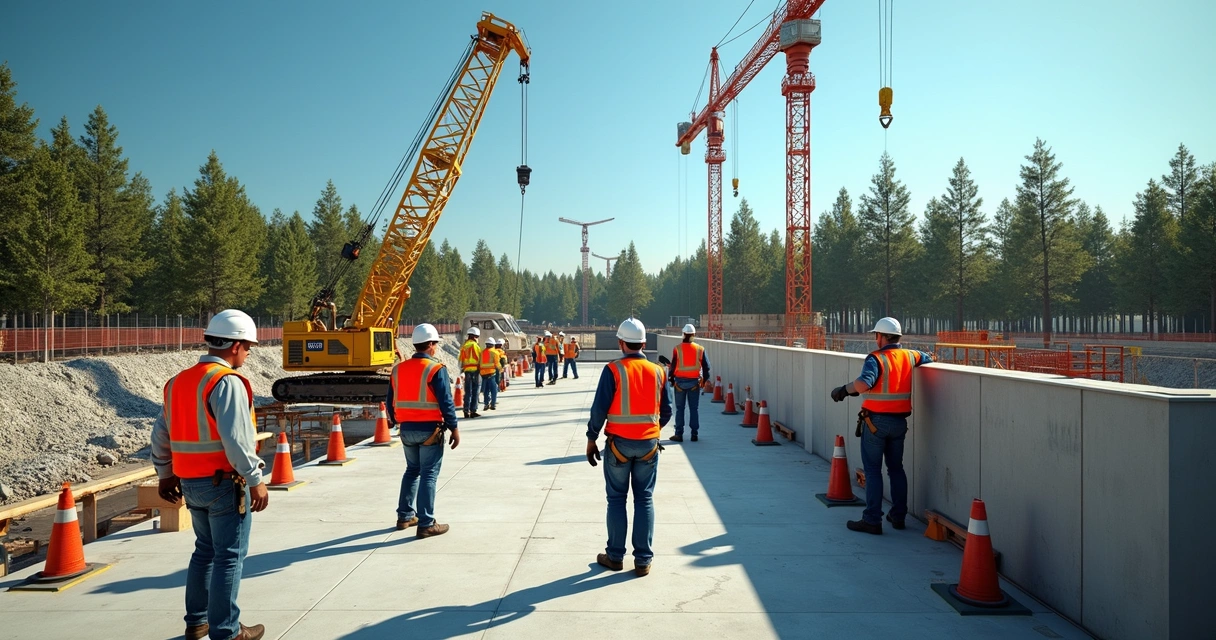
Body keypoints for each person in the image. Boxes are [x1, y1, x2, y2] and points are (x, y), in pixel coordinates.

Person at [151, 309, 268, 640]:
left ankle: (198, 621)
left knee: (204, 551)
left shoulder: (178, 382)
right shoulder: (226, 382)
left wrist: (165, 474)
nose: (248, 353)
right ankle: (227, 630)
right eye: (248, 346)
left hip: (190, 483)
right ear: (235, 346)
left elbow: (161, 434)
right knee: (229, 557)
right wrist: (256, 480)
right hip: (224, 484)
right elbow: (236, 440)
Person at [829, 317, 935, 535]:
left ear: (883, 336)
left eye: (876, 335)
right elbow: (927, 358)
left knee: (873, 471)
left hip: (876, 423)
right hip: (899, 423)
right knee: (896, 469)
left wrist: (843, 390)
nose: (875, 339)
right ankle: (898, 516)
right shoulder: (909, 355)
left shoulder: (876, 358)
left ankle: (872, 520)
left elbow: (864, 383)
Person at [586, 318, 673, 577]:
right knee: (644, 499)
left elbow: (599, 409)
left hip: (618, 445)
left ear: (621, 343)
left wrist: (591, 438)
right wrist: (651, 429)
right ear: (644, 343)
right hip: (648, 445)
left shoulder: (613, 370)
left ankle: (615, 556)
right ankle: (643, 560)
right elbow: (666, 411)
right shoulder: (658, 371)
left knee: (616, 499)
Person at [387, 323, 461, 538]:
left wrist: (394, 421)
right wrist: (454, 428)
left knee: (412, 470)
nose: (436, 348)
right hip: (429, 429)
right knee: (429, 474)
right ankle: (426, 523)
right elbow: (446, 402)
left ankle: (405, 516)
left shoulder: (398, 369)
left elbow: (390, 400)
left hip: (406, 429)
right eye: (436, 344)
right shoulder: (435, 369)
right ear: (430, 344)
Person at [667, 323, 710, 443]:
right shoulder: (700, 349)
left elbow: (673, 367)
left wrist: (671, 379)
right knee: (693, 409)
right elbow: (707, 368)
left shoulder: (677, 349)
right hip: (694, 384)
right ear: (694, 335)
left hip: (679, 383)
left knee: (680, 409)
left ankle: (679, 434)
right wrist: (703, 381)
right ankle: (694, 434)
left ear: (683, 334)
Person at [459, 327, 482, 419]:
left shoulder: (464, 346)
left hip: (467, 371)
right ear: (475, 336)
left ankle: (466, 410)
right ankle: (473, 410)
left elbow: (460, 360)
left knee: (468, 392)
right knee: (475, 391)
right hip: (475, 371)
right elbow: (480, 359)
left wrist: (462, 370)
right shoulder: (475, 346)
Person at [480, 336, 500, 410]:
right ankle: (493, 404)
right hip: (491, 374)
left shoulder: (482, 353)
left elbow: (480, 364)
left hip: (483, 375)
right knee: (493, 390)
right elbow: (497, 364)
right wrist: (501, 370)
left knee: (486, 390)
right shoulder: (495, 352)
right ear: (493, 344)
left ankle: (486, 404)